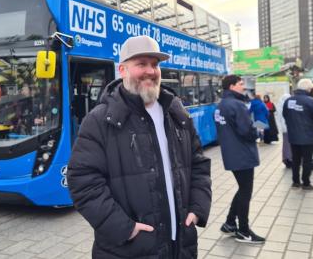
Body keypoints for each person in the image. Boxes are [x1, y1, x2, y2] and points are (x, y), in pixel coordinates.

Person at [67, 35, 212, 258]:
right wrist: (126, 229)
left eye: (155, 65)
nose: (150, 71)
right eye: (141, 64)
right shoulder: (99, 120)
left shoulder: (176, 112)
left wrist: (197, 208)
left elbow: (199, 164)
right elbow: (83, 182)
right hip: (130, 249)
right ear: (122, 70)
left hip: (180, 246)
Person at [215, 75, 265, 244]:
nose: (244, 86)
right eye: (240, 84)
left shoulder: (221, 104)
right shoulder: (237, 105)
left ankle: (230, 223)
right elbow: (247, 131)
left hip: (231, 153)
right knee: (245, 192)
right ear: (231, 86)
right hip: (242, 154)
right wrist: (258, 132)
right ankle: (243, 231)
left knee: (242, 188)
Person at [283, 79, 313, 190]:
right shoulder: (311, 101)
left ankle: (295, 182)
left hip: (293, 136)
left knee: (296, 160)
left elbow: (285, 115)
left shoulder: (289, 101)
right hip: (307, 136)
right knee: (307, 160)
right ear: (308, 89)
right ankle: (306, 183)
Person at [276, 93, 292, 168]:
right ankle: (290, 158)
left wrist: (280, 128)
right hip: (290, 128)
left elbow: (278, 118)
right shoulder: (289, 105)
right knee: (290, 144)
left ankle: (285, 158)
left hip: (284, 129)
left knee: (285, 144)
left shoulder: (279, 106)